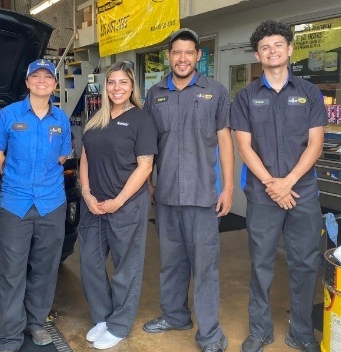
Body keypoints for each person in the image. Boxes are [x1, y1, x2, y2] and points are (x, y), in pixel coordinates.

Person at [229, 20, 326, 352]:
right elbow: (244, 146)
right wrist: (273, 184)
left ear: (290, 50)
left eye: (278, 45)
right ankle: (259, 331)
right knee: (261, 263)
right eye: (265, 47)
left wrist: (289, 182)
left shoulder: (310, 93)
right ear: (258, 55)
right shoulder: (245, 97)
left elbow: (315, 144)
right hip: (262, 194)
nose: (272, 51)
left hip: (304, 192)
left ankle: (300, 332)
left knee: (305, 262)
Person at [142, 28, 235, 352]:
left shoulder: (216, 91)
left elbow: (225, 140)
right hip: (166, 194)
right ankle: (175, 315)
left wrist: (229, 187)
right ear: (169, 57)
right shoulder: (155, 95)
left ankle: (210, 334)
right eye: (176, 52)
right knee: (171, 262)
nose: (182, 58)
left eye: (188, 52)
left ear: (198, 56)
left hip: (203, 194)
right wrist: (149, 181)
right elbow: (149, 145)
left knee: (205, 266)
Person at [0, 59, 72, 352]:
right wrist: (15, 177)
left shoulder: (61, 119)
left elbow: (62, 157)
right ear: (27, 82)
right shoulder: (9, 114)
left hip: (51, 203)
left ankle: (36, 323)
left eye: (48, 77)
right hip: (15, 205)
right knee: (12, 271)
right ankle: (9, 335)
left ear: (55, 85)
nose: (42, 81)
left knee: (45, 269)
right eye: (36, 76)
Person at [78, 62, 158, 350]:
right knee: (90, 262)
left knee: (126, 268)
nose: (117, 88)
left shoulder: (141, 120)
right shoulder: (96, 119)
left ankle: (120, 325)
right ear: (105, 86)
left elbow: (145, 165)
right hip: (94, 205)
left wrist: (119, 201)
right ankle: (102, 316)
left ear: (132, 86)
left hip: (126, 206)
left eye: (123, 82)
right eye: (112, 82)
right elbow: (85, 157)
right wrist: (86, 194)